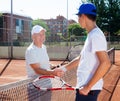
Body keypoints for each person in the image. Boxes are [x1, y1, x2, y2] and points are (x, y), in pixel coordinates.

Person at [60, 3, 111, 101]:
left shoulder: (95, 35)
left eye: (78, 17)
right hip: (85, 89)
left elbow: (106, 63)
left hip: (88, 90)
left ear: (83, 16)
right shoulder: (91, 35)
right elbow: (80, 58)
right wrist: (63, 69)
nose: (78, 20)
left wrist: (88, 87)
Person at [25, 25, 64, 101]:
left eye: (43, 34)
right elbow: (37, 69)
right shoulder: (31, 50)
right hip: (35, 86)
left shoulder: (43, 47)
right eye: (39, 35)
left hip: (47, 84)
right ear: (33, 36)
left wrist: (52, 66)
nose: (42, 36)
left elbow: (44, 63)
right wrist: (53, 73)